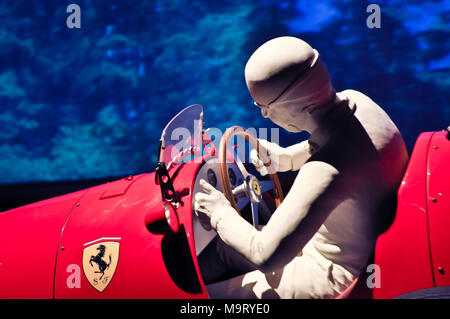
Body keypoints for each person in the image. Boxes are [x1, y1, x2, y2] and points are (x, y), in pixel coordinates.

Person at [194, 36, 408, 298]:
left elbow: (265, 255)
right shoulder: (358, 102)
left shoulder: (324, 171)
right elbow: (338, 147)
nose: (264, 116)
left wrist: (218, 213)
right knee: (225, 251)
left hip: (330, 274)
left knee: (215, 296)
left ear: (304, 106)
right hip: (358, 245)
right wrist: (286, 158)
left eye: (265, 107)